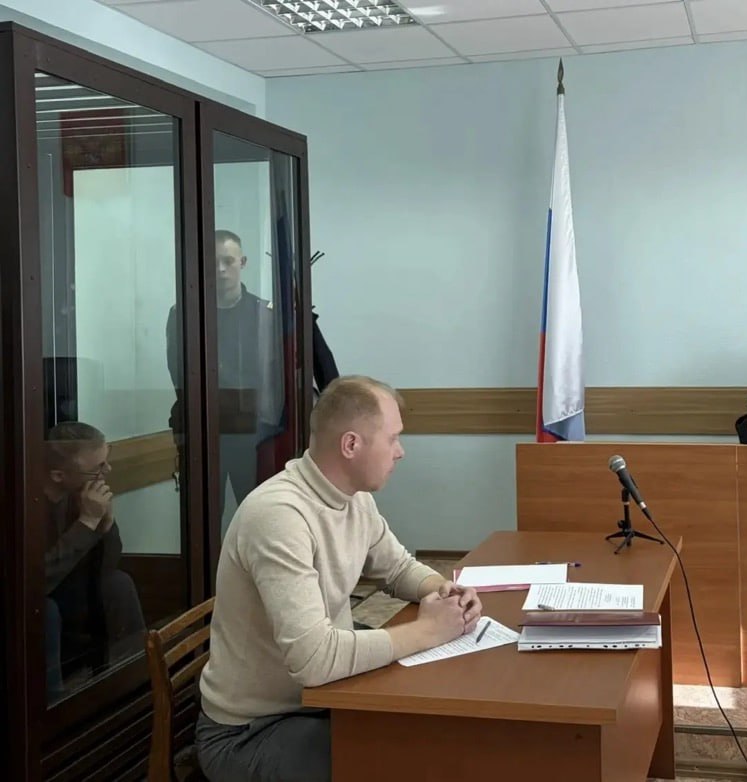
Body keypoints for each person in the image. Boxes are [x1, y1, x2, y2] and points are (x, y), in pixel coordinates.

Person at [195, 375, 482, 782]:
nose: (400, 452)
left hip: (322, 699)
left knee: (430, 736)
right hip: (251, 730)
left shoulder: (354, 497)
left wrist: (442, 590)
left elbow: (397, 568)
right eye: (393, 439)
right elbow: (314, 661)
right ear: (351, 445)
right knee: (403, 762)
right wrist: (428, 631)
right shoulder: (279, 517)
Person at [166, 229, 283, 532]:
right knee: (202, 519)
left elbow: (272, 376)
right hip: (203, 428)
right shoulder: (185, 314)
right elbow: (180, 374)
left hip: (254, 431)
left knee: (259, 515)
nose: (220, 269)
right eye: (212, 261)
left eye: (228, 261)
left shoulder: (265, 314)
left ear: (242, 262)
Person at [43, 422, 146, 702]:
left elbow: (108, 566)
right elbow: (37, 582)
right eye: (98, 467)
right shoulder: (30, 505)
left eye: (106, 461)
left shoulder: (78, 494)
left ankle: (138, 677)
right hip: (40, 599)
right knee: (46, 610)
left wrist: (105, 525)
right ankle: (55, 704)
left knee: (118, 584)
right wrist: (87, 523)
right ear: (58, 475)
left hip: (69, 591)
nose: (107, 471)